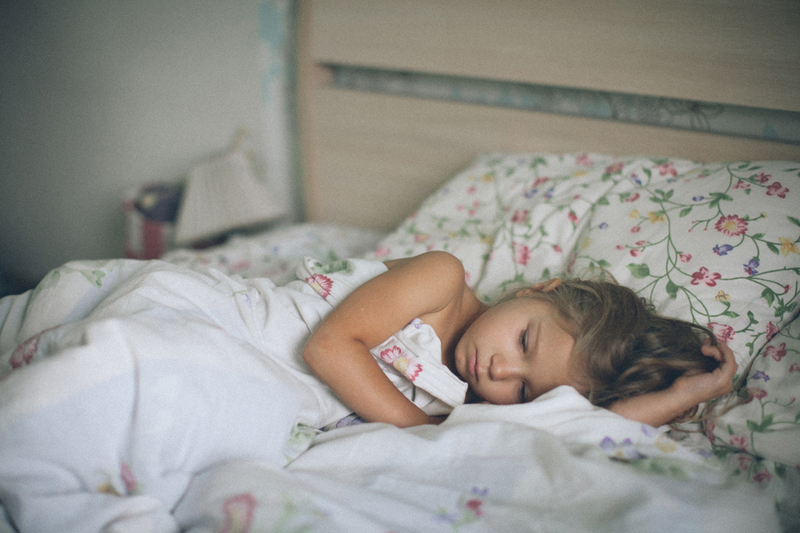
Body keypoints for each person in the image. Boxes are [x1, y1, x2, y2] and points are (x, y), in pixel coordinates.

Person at [304, 250, 737, 428]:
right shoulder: (441, 280)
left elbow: (573, 430)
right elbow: (328, 347)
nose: (501, 370)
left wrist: (679, 398)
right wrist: (427, 432)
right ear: (538, 290)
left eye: (525, 390)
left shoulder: (472, 404)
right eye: (524, 342)